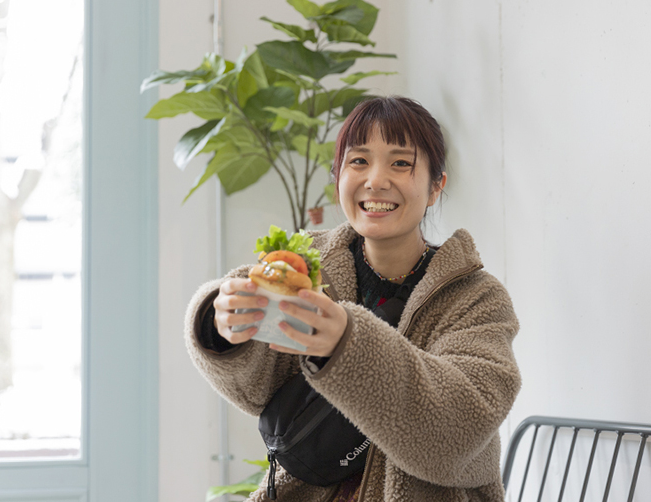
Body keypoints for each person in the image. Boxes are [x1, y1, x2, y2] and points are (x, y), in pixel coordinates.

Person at [185, 96, 521, 502]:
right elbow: (257, 389)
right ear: (338, 178)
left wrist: (346, 343)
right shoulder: (306, 267)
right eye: (358, 161)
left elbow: (459, 427)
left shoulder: (475, 298)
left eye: (400, 163)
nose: (376, 180)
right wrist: (221, 323)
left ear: (436, 187)